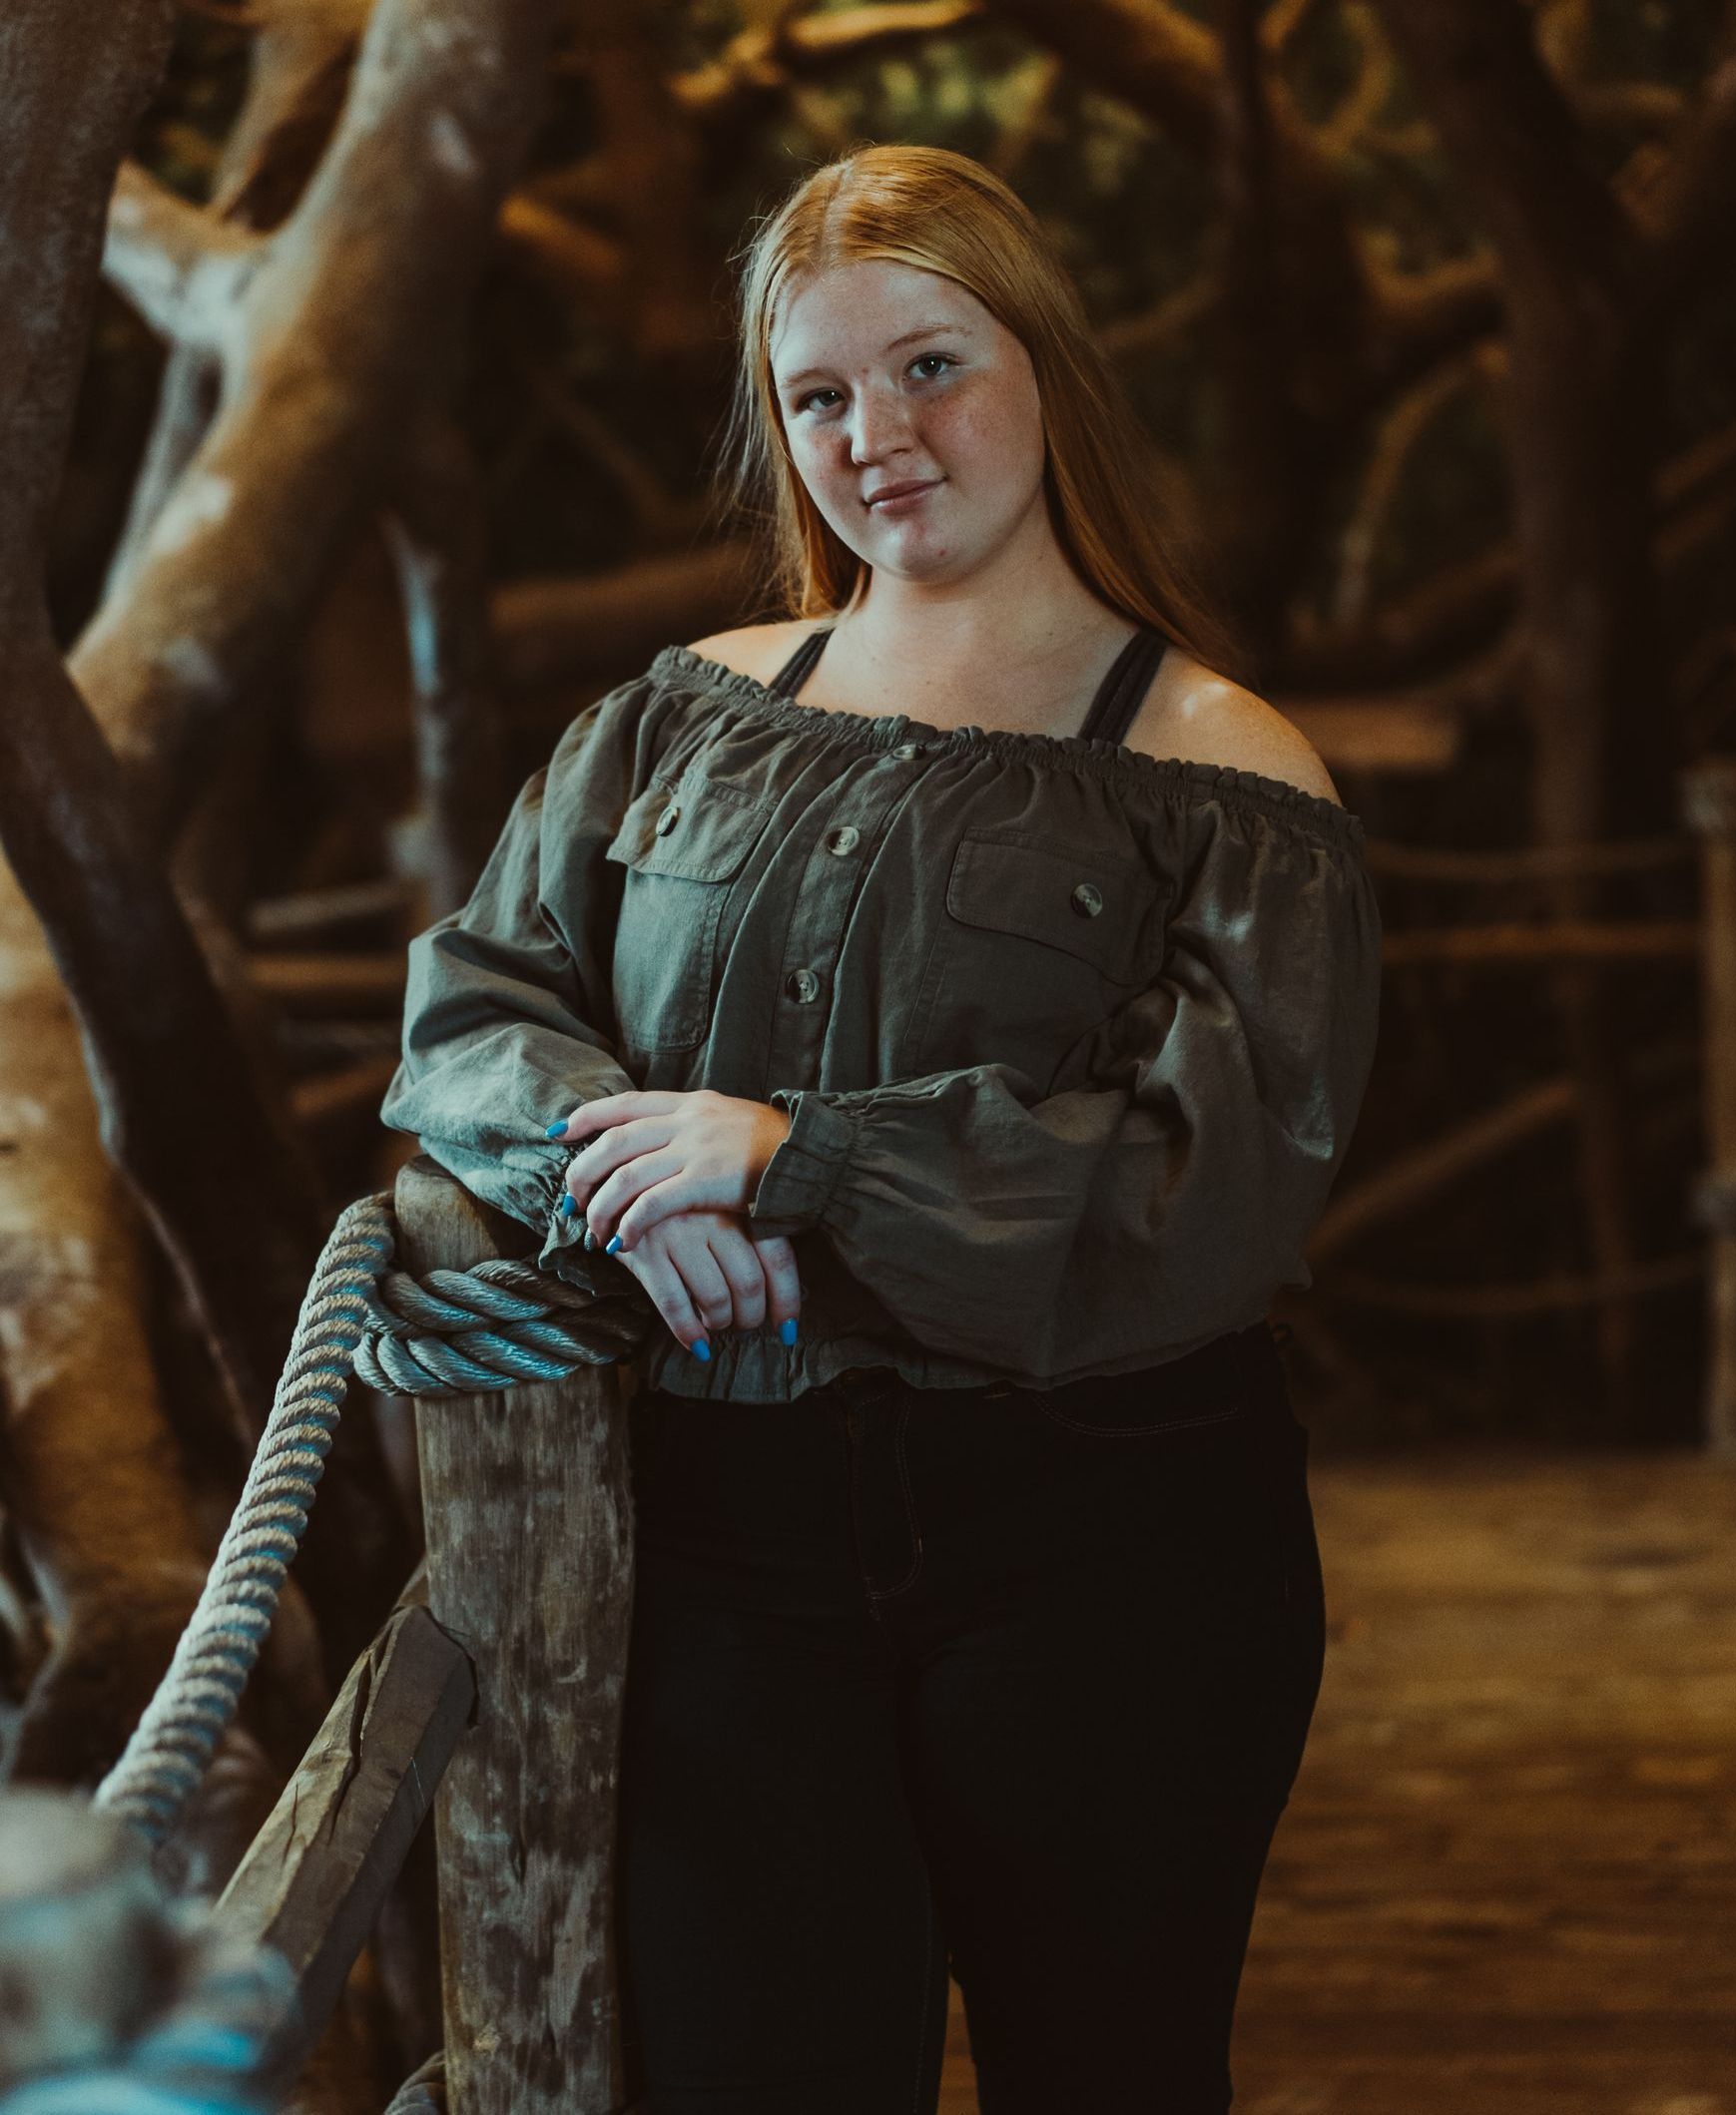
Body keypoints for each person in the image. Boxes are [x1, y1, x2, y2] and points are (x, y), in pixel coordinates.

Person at [381, 143, 1382, 2115]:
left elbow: (1210, 1190)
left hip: (1108, 1537)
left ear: (1046, 368)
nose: (875, 436)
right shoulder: (675, 717)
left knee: (1106, 2079)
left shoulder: (1221, 769)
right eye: (818, 394)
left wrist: (799, 1156)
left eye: (931, 365)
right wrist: (625, 1167)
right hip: (726, 1528)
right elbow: (474, 1007)